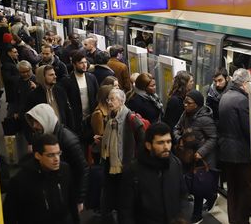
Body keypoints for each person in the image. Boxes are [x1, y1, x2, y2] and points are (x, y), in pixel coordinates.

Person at [25, 104, 89, 223]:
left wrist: (80, 199)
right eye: (33, 122)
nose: (35, 126)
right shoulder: (43, 137)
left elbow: (82, 169)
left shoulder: (68, 140)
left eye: (37, 121)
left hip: (68, 193)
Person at [120, 122, 188, 224]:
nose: (166, 147)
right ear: (148, 145)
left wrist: (182, 217)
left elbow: (183, 194)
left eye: (168, 141)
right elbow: (125, 210)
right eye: (160, 143)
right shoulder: (133, 171)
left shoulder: (175, 164)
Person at [3, 134, 75, 224]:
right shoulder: (20, 180)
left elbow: (72, 202)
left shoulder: (65, 170)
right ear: (38, 155)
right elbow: (10, 214)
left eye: (58, 153)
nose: (57, 159)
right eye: (50, 155)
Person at [100, 88, 146, 223]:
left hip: (125, 167)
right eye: (108, 99)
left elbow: (142, 141)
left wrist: (136, 162)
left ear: (122, 101)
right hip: (111, 165)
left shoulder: (131, 118)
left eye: (112, 99)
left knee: (125, 201)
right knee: (113, 197)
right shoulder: (110, 117)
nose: (109, 102)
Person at [173, 89, 218, 223]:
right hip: (187, 156)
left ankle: (197, 214)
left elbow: (213, 137)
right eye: (185, 102)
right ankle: (210, 197)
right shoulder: (185, 114)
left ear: (197, 104)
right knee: (192, 184)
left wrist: (201, 152)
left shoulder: (205, 120)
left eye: (189, 103)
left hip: (202, 158)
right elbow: (176, 128)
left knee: (199, 186)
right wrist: (179, 138)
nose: (185, 105)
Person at [218, 68, 251, 224]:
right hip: (240, 154)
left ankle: (234, 220)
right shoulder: (242, 101)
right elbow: (248, 129)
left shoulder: (225, 96)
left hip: (226, 151)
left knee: (232, 190)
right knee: (245, 191)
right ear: (244, 84)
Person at [60, 51, 99, 145]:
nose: (84, 65)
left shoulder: (91, 78)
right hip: (76, 120)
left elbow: (97, 96)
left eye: (85, 62)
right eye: (81, 63)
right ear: (74, 64)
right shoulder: (67, 81)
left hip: (91, 119)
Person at [25, 65, 74, 132]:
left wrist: (71, 131)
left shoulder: (60, 91)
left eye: (54, 74)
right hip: (45, 136)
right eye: (51, 75)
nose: (55, 77)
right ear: (42, 77)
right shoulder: (33, 96)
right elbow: (29, 119)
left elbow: (68, 112)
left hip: (62, 131)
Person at [0, 45, 19, 113]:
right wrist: (20, 77)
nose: (17, 54)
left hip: (14, 92)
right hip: (12, 92)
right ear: (9, 53)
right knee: (12, 111)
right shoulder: (7, 65)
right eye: (15, 52)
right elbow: (7, 78)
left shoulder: (12, 61)